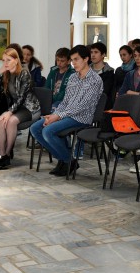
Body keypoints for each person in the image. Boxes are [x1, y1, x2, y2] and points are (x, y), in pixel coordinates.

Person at [31, 45, 103, 177]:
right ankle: (67, 160)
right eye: (72, 60)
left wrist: (58, 116)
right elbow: (65, 101)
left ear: (86, 59)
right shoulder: (73, 77)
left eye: (76, 59)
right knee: (35, 128)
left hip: (82, 118)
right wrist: (54, 114)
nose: (73, 63)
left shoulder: (95, 80)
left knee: (48, 131)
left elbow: (82, 106)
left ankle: (66, 161)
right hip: (66, 115)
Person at [0, 48, 40, 170]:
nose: (5, 63)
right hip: (17, 108)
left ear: (16, 60)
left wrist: (9, 112)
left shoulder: (24, 73)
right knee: (0, 121)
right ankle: (2, 155)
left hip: (30, 108)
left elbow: (22, 97)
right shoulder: (7, 74)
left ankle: (7, 154)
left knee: (11, 121)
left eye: (8, 60)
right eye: (3, 60)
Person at [89, 42, 115, 108]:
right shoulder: (85, 71)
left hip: (101, 107)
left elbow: (103, 91)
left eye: (96, 52)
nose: (93, 55)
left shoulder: (109, 73)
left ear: (103, 54)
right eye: (91, 52)